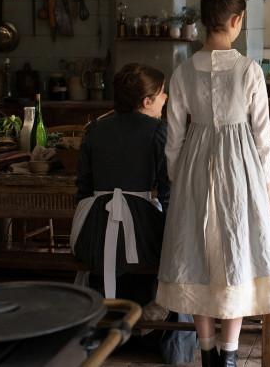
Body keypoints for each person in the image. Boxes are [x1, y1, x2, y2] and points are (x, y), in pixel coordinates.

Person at [156, 0, 270, 367]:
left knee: (196, 256)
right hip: (240, 169)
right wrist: (264, 185)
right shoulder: (248, 70)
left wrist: (181, 181)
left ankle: (207, 350)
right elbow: (263, 137)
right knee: (237, 252)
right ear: (236, 19)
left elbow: (172, 138)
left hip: (194, 165)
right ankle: (228, 355)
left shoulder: (182, 71)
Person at [71, 63, 195, 363]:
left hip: (93, 232)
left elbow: (83, 189)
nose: (166, 99)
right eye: (162, 94)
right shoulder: (158, 131)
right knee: (181, 246)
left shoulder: (95, 129)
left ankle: (110, 324)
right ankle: (160, 328)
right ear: (147, 101)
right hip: (138, 236)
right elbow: (168, 193)